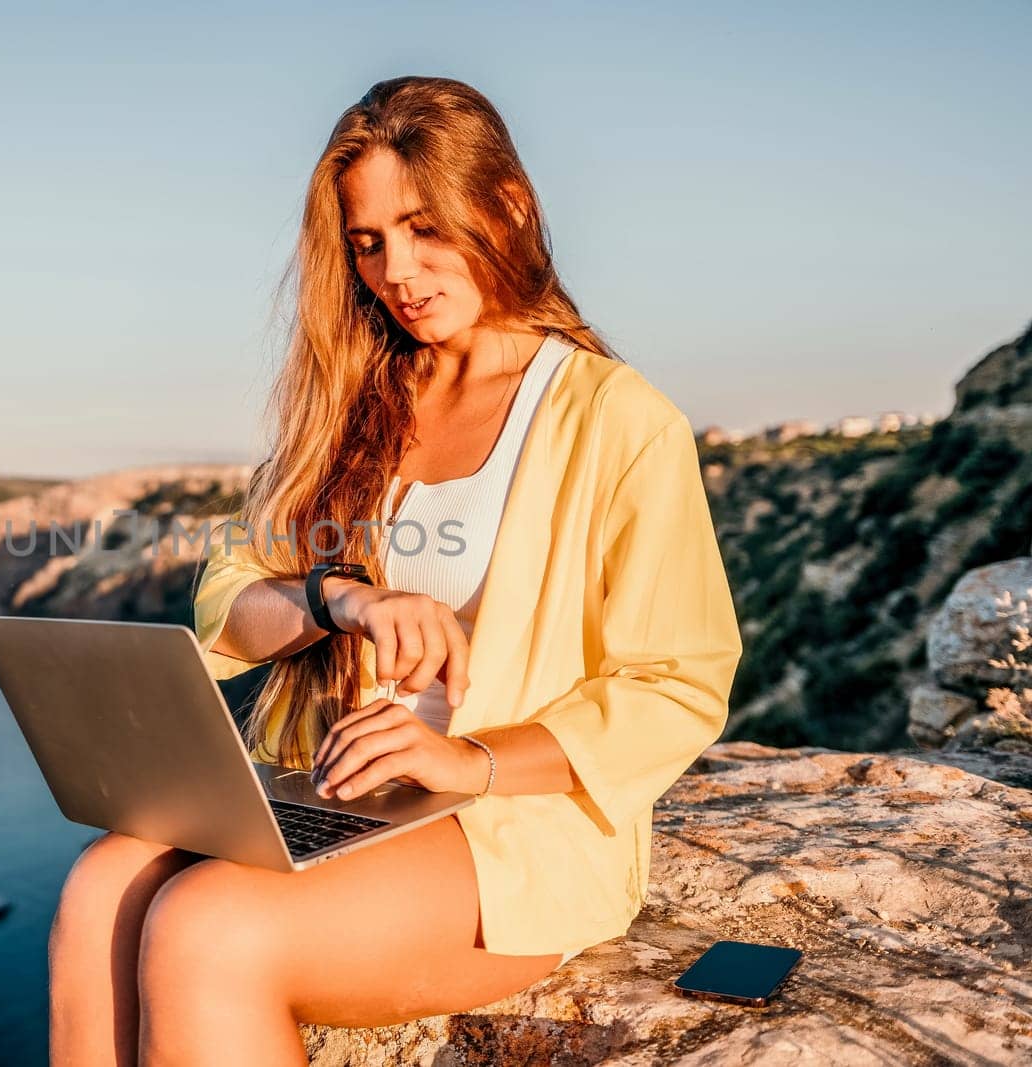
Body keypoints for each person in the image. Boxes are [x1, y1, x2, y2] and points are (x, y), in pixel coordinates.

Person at [47, 75, 743, 1066]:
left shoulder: (615, 419)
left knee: (207, 927)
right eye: (367, 241)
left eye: (422, 229)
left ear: (506, 207)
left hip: (509, 825)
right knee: (96, 890)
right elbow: (226, 596)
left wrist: (472, 757)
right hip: (332, 790)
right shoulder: (352, 398)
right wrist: (341, 596)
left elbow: (674, 683)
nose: (395, 271)